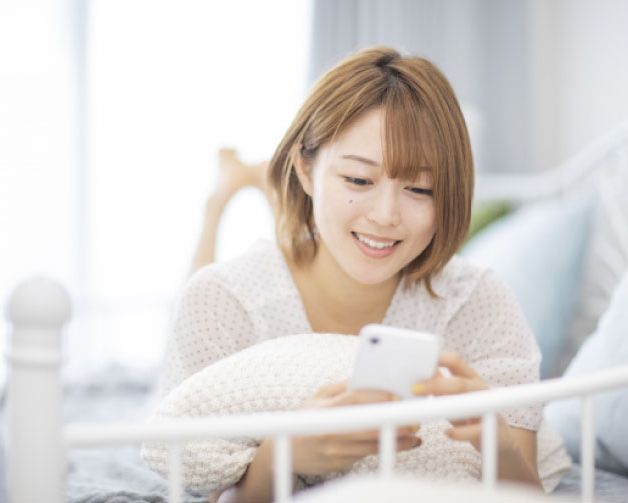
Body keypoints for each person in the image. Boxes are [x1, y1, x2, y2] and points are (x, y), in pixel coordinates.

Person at [162, 47, 543, 503]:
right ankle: (224, 194)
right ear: (305, 169)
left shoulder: (478, 301)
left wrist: (500, 445)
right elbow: (205, 491)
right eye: (359, 181)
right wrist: (283, 455)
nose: (385, 215)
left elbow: (529, 497)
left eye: (420, 188)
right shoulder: (222, 299)